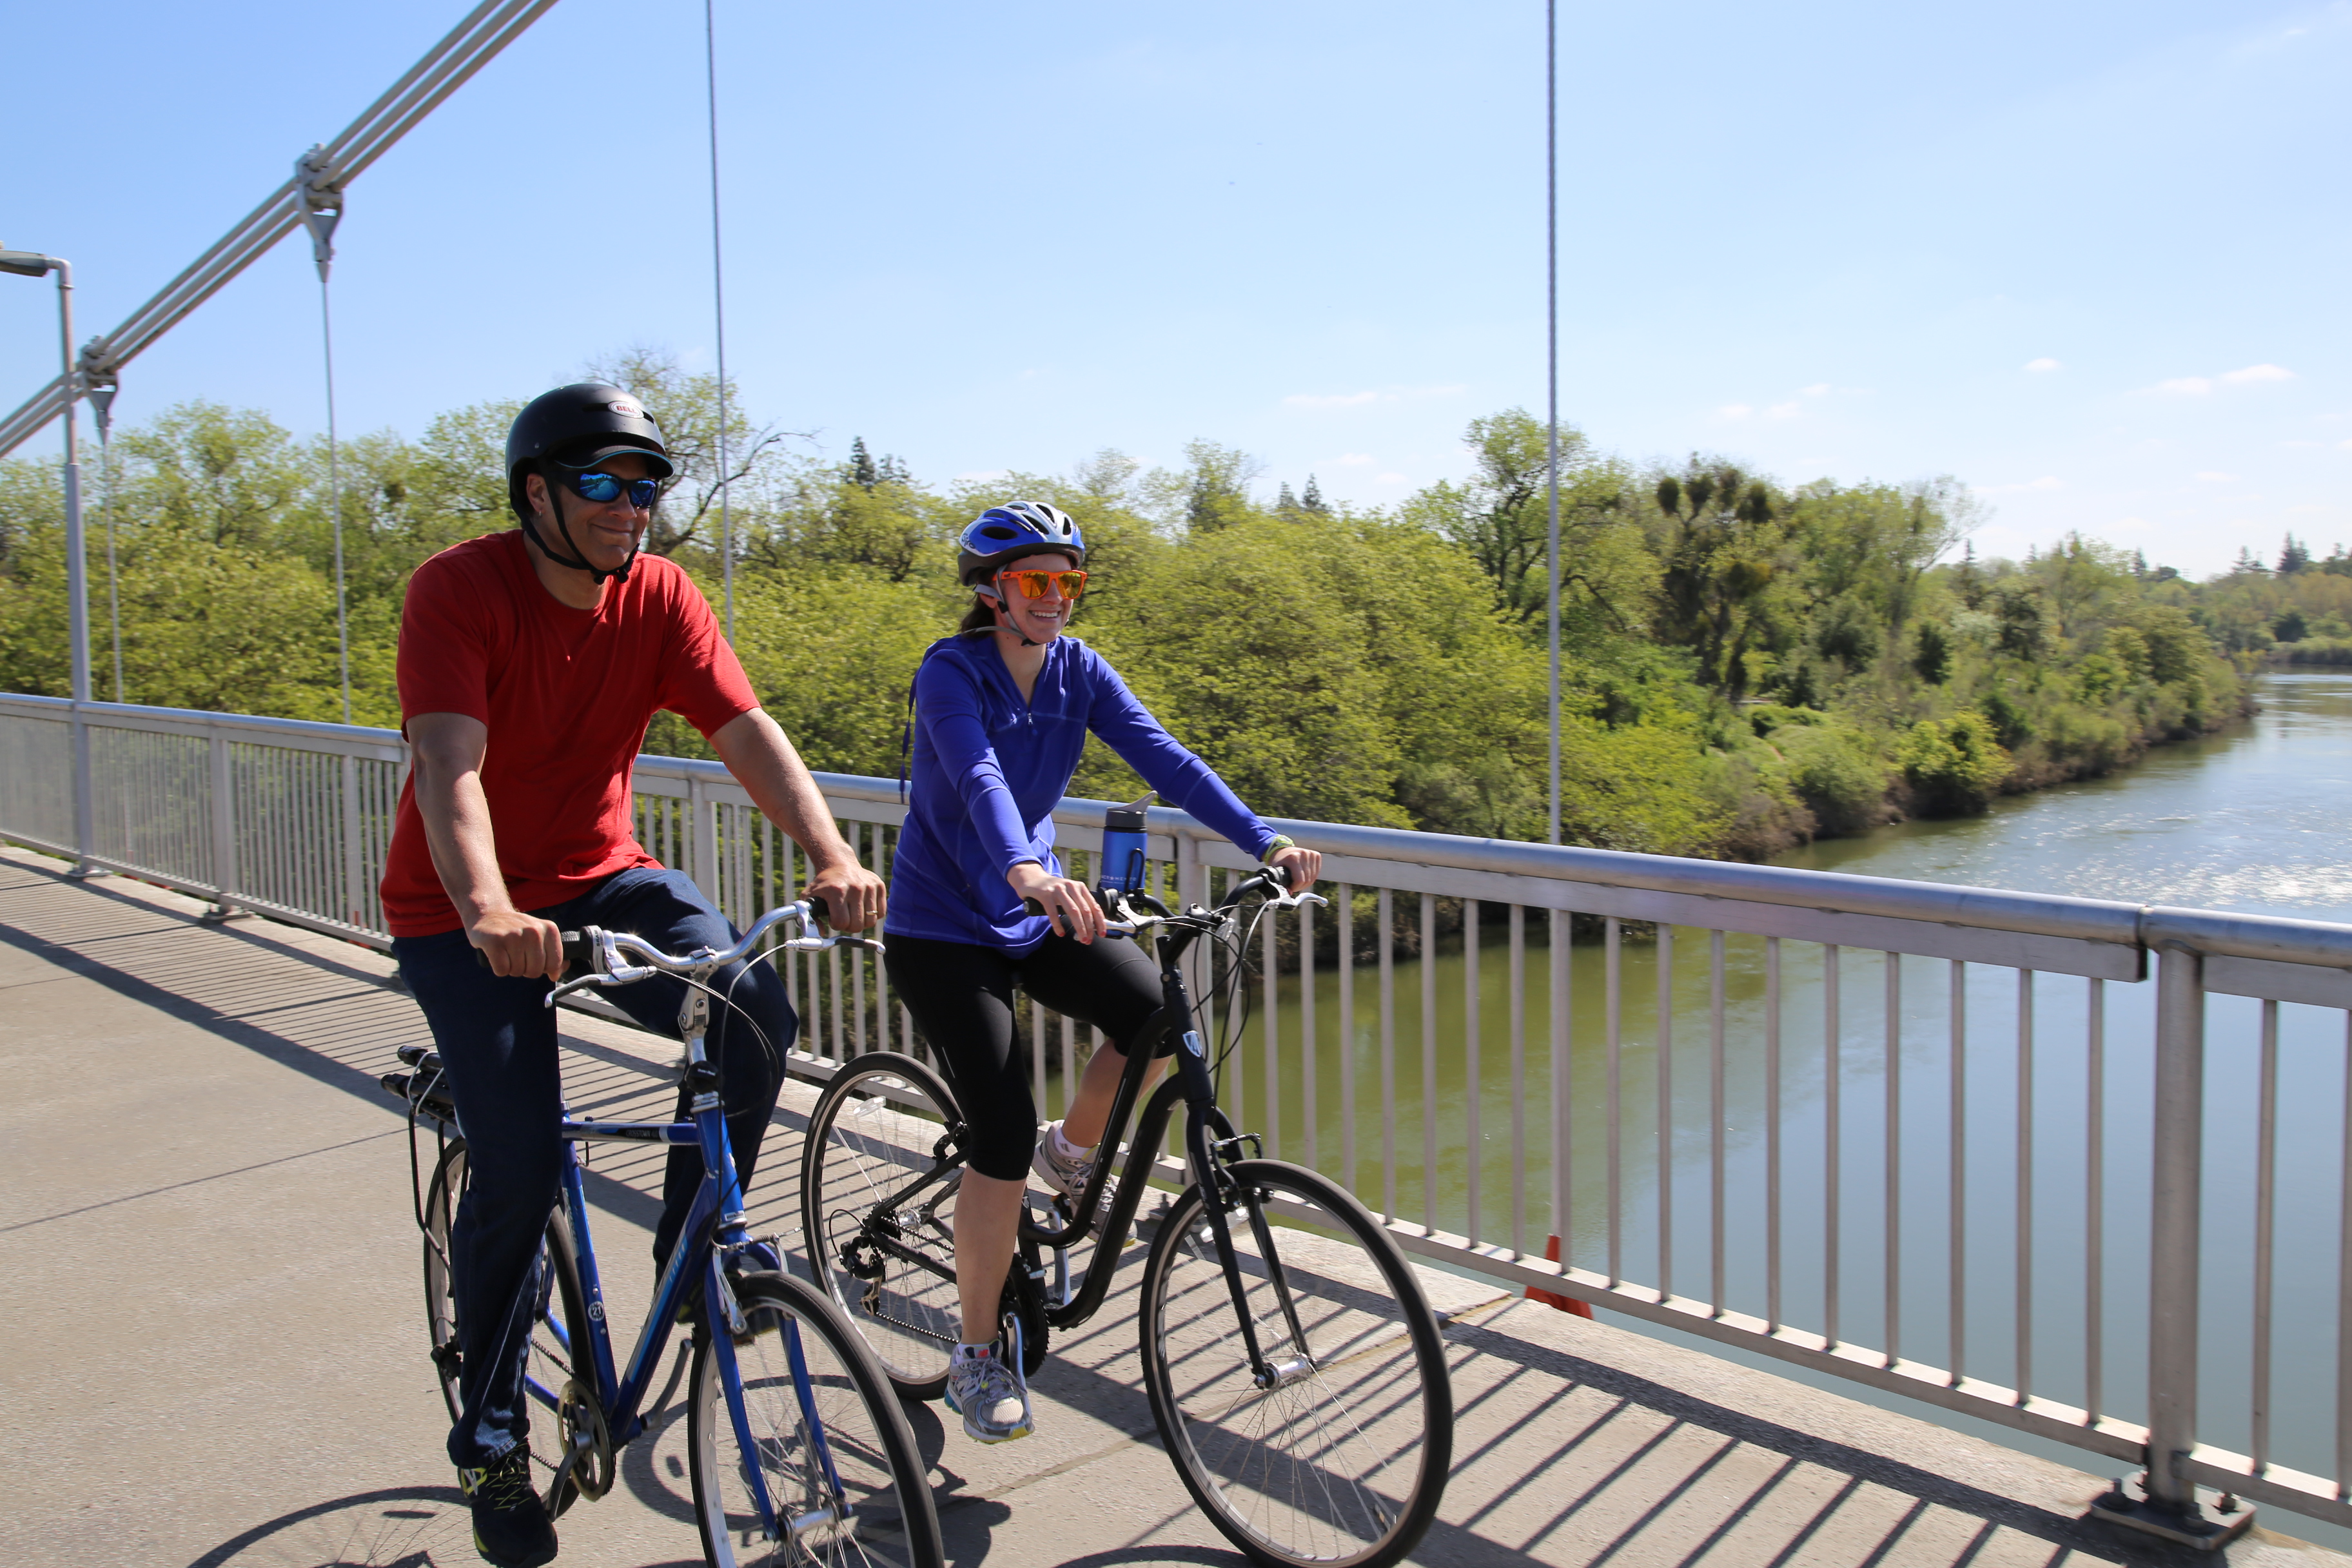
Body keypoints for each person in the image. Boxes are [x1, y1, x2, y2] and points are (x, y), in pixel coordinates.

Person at [381, 382, 885, 1568]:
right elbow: (449, 762)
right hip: (464, 911)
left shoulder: (660, 596)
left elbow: (747, 730)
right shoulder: (456, 590)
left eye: (647, 484)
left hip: (604, 878)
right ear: (538, 493)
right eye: (602, 483)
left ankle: (695, 1255)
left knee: (753, 1007)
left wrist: (832, 853)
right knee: (521, 1156)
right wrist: (491, 907)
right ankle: (493, 1436)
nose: (630, 508)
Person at [885, 500, 1320, 1445]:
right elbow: (977, 780)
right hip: (944, 927)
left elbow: (1167, 759)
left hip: (1034, 910)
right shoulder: (950, 672)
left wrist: (1265, 840)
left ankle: (1072, 1155)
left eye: (1069, 582)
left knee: (1156, 1017)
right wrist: (1030, 869)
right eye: (1038, 581)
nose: (1057, 599)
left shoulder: (1079, 672)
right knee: (997, 1127)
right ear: (994, 591)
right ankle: (974, 1355)